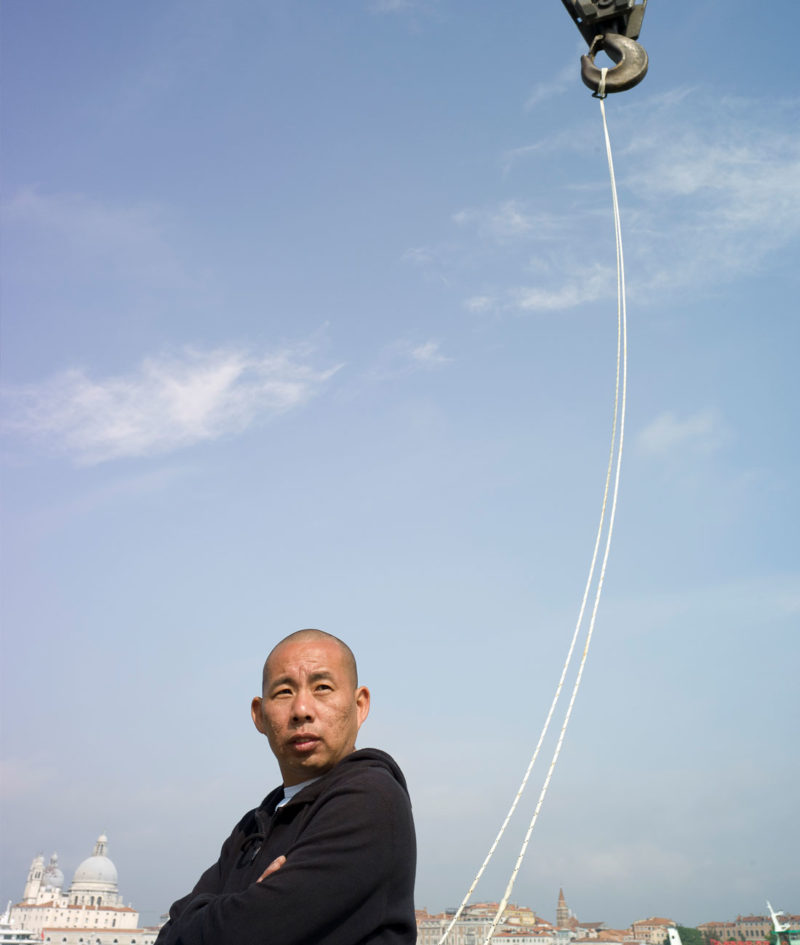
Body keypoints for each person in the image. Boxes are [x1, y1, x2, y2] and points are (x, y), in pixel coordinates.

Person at [154, 628, 416, 945]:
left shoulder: (370, 799)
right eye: (284, 692)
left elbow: (243, 934)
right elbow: (168, 935)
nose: (301, 710)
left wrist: (224, 910)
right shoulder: (251, 828)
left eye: (322, 688)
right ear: (259, 715)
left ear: (359, 705)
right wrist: (247, 904)